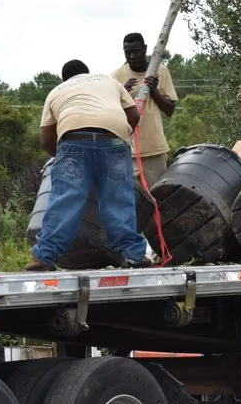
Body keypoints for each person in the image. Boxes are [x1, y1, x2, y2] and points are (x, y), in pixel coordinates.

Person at [26, 59, 151, 271]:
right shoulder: (108, 81)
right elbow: (133, 115)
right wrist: (117, 141)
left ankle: (45, 257)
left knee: (65, 200)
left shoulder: (57, 91)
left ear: (65, 79)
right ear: (87, 73)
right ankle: (133, 256)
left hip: (74, 139)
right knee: (118, 200)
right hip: (113, 138)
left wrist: (66, 159)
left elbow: (46, 139)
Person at [110, 32, 178, 189]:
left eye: (136, 51)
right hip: (126, 151)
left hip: (155, 150)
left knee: (157, 198)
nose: (132, 56)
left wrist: (154, 91)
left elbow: (170, 110)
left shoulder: (161, 72)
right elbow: (109, 113)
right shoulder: (115, 77)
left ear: (145, 49)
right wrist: (122, 92)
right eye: (128, 52)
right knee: (131, 198)